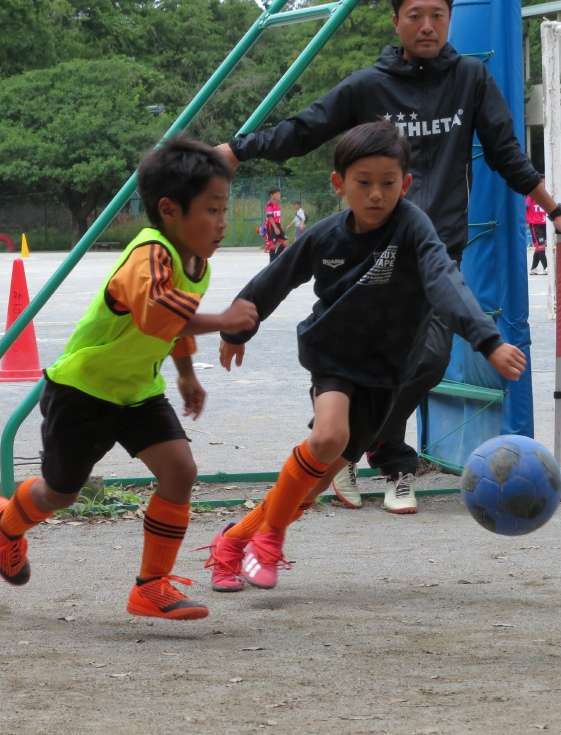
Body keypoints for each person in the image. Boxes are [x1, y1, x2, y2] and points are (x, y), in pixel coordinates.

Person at [213, 0, 561, 515]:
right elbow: (305, 128)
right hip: (372, 250)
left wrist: (556, 211)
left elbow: (506, 153)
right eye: (414, 15)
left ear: (449, 18)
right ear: (396, 21)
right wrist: (238, 149)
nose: (426, 26)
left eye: (437, 14)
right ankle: (375, 456)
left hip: (436, 247)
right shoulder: (369, 85)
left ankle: (355, 446)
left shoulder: (471, 79)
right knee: (365, 354)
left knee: (429, 359)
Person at [204, 121, 526, 592]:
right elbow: (277, 277)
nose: (376, 194)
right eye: (364, 182)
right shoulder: (325, 236)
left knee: (312, 485)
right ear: (339, 184)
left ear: (405, 184)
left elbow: (445, 281)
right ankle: (270, 539)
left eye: (388, 183)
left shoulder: (413, 228)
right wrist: (239, 328)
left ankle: (233, 541)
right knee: (328, 435)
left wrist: (487, 340)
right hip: (334, 354)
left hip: (387, 372)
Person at [0, 140, 258, 621]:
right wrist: (222, 320)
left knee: (180, 471)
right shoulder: (148, 254)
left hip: (137, 392)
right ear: (169, 210)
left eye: (224, 209)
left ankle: (151, 586)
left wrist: (186, 375)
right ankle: (5, 522)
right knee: (60, 493)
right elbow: (156, 313)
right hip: (83, 391)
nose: (221, 222)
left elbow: (172, 326)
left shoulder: (197, 264)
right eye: (212, 210)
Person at [264, 187, 288, 261]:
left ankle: (276, 257)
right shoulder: (270, 204)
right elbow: (270, 217)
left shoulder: (278, 205)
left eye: (279, 194)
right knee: (274, 244)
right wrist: (275, 227)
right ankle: (272, 261)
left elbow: (280, 217)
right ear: (271, 195)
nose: (278, 195)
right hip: (272, 225)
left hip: (278, 225)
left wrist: (281, 227)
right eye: (276, 194)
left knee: (286, 241)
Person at [526, 196, 547, 273]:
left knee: (539, 247)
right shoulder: (530, 196)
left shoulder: (545, 195)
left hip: (544, 222)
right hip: (535, 223)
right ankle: (546, 267)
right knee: (541, 245)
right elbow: (525, 206)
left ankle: (533, 268)